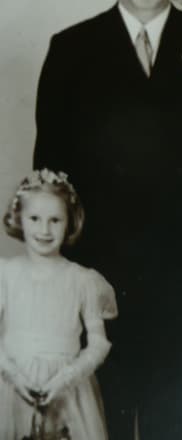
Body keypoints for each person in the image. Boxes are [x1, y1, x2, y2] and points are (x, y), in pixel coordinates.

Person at [33, 0, 182, 440]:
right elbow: (50, 178)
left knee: (177, 423)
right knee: (104, 423)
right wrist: (66, 278)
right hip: (99, 279)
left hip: (181, 273)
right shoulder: (71, 49)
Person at [0, 168, 117, 439]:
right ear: (19, 218)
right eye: (35, 219)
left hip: (68, 390)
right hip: (12, 386)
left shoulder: (83, 279)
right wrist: (15, 378)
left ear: (69, 223)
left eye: (55, 220)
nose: (44, 229)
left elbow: (98, 342)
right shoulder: (5, 275)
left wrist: (66, 379)